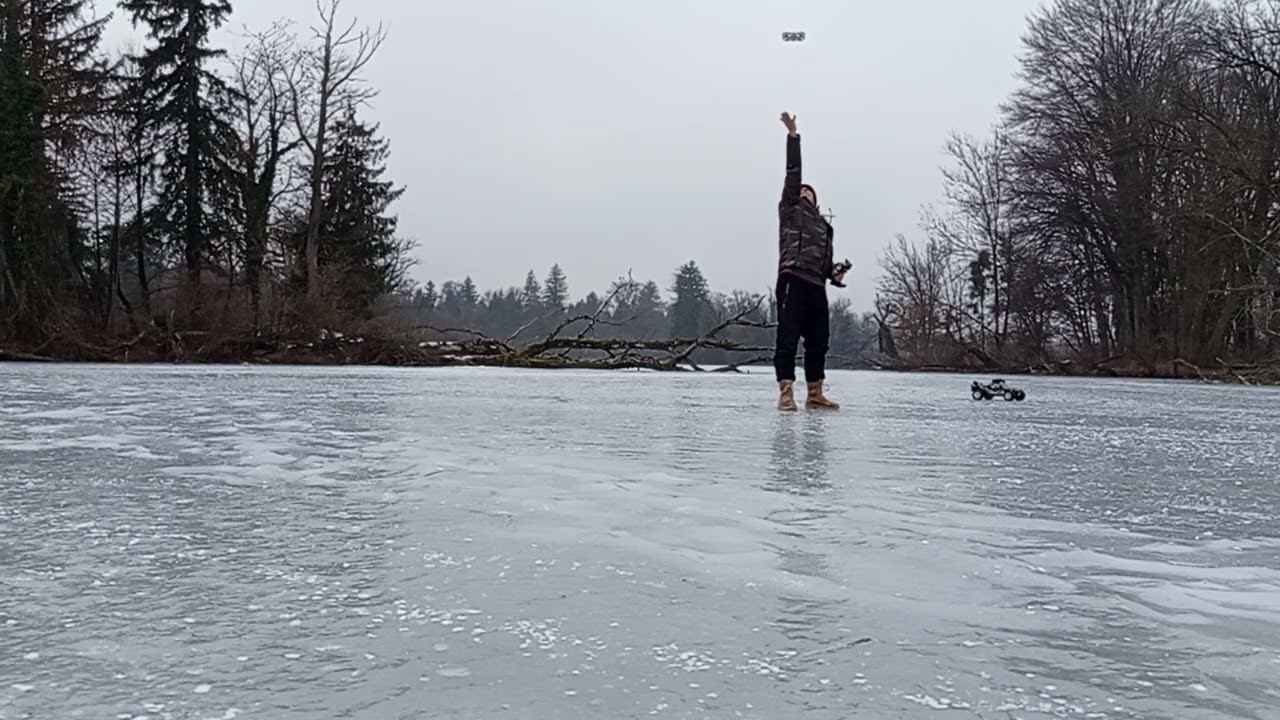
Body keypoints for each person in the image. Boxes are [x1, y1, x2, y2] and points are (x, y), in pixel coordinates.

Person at [773, 111, 844, 411]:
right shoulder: (790, 209)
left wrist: (835, 274)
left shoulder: (825, 228)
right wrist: (793, 137)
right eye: (801, 189)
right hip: (793, 278)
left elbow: (826, 266)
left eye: (809, 191)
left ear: (816, 200)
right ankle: (786, 392)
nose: (804, 191)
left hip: (817, 286)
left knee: (819, 340)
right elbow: (793, 174)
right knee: (787, 337)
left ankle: (815, 393)